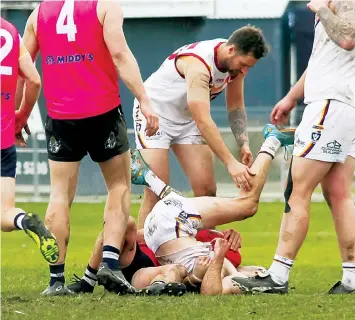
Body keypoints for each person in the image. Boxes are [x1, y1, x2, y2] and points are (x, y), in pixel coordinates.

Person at [20, 0, 159, 295]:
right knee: (119, 186)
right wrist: (145, 101)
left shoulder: (39, 13)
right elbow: (120, 55)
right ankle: (109, 263)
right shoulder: (105, 6)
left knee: (59, 194)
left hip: (61, 117)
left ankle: (56, 281)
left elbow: (23, 68)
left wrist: (18, 114)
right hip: (102, 112)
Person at [232, 0, 355, 294]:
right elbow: (322, 60)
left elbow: (348, 38)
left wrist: (319, 9)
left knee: (296, 189)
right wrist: (291, 97)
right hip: (343, 105)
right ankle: (352, 278)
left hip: (331, 103)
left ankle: (277, 275)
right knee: (338, 193)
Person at [131, 124, 295, 295]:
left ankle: (272, 140)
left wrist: (218, 256)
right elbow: (210, 290)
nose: (259, 271)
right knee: (244, 205)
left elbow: (206, 286)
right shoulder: (231, 270)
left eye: (259, 273)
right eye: (261, 272)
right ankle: (150, 179)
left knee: (247, 205)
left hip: (166, 229)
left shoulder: (229, 270)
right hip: (161, 231)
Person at [134, 26, 270, 231]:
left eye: (249, 67)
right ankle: (141, 257)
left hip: (187, 119)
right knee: (155, 192)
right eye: (243, 65)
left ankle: (207, 251)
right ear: (231, 50)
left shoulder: (235, 65)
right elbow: (203, 121)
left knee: (206, 189)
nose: (244, 71)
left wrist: (243, 143)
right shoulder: (199, 65)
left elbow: (235, 106)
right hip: (155, 115)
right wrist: (231, 163)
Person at [1, 17, 59, 264]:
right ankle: (25, 220)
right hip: (3, 140)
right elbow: (34, 80)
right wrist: (19, 116)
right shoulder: (10, 31)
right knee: (4, 213)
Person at [67, 216, 187, 296]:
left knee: (178, 269)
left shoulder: (201, 240)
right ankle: (88, 281)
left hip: (146, 270)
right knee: (124, 221)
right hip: (133, 254)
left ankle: (157, 287)